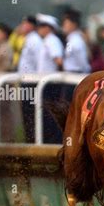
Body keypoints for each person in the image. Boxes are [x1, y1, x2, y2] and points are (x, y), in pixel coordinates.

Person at [36, 13, 64, 143]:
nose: (39, 29)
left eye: (42, 26)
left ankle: (54, 141)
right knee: (45, 114)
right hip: (45, 82)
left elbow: (59, 61)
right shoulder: (47, 40)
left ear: (49, 27)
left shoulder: (52, 40)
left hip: (51, 83)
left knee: (50, 115)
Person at [18, 15, 42, 143]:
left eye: (25, 23)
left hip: (32, 82)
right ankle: (29, 139)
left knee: (30, 113)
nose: (22, 26)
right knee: (26, 112)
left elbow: (39, 62)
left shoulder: (35, 40)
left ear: (32, 25)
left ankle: (33, 140)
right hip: (26, 81)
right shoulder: (28, 39)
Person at [0, 22, 15, 142]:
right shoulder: (0, 46)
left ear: (4, 34)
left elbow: (7, 66)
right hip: (0, 83)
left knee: (5, 111)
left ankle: (8, 138)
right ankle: (4, 137)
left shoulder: (6, 47)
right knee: (1, 111)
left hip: (4, 83)